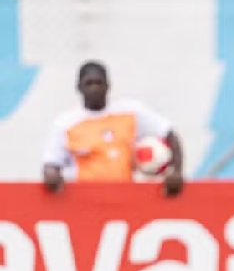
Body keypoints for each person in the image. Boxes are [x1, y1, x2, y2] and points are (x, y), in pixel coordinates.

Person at [42, 61, 184, 196]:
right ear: (79, 87)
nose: (94, 88)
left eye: (99, 83)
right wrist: (52, 176)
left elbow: (170, 134)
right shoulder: (66, 123)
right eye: (89, 83)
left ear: (108, 85)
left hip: (128, 197)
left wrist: (176, 172)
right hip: (84, 200)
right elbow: (51, 163)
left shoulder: (131, 111)